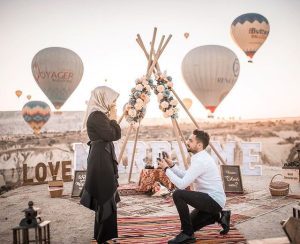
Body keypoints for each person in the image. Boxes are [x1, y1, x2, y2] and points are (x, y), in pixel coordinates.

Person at [158, 130, 230, 244]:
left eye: (191, 141)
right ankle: (219, 215)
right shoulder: (199, 157)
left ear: (199, 145)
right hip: (210, 200)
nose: (187, 142)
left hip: (213, 200)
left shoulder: (201, 160)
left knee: (178, 194)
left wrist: (166, 169)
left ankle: (188, 235)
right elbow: (187, 176)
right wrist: (171, 165)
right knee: (188, 225)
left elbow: (182, 185)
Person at [80, 86, 121, 244]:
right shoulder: (97, 115)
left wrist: (111, 118)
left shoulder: (99, 115)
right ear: (104, 98)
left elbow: (112, 135)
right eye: (113, 100)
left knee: (106, 196)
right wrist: (114, 118)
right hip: (101, 160)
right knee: (105, 194)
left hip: (102, 156)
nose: (114, 103)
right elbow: (113, 134)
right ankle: (105, 238)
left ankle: (102, 236)